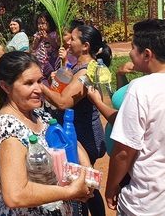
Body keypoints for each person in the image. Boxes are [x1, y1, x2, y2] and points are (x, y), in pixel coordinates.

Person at [105, 19, 165, 215]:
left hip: (148, 205)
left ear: (147, 54)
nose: (129, 53)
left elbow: (123, 152)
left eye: (132, 48)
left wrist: (112, 186)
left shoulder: (141, 89)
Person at [0, 51, 93, 215]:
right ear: (5, 86)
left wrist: (87, 173)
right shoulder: (9, 129)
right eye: (29, 83)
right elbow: (15, 195)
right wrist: (70, 192)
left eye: (39, 81)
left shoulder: (38, 115)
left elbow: (71, 141)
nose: (39, 89)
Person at [41, 25, 108, 216]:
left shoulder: (84, 73)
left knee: (79, 186)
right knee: (89, 184)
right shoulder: (80, 67)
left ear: (85, 46)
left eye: (73, 39)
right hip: (80, 132)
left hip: (82, 136)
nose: (68, 41)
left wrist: (40, 86)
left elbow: (63, 102)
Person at [31, 12, 60, 84]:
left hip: (50, 61)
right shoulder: (37, 34)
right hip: (40, 61)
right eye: (38, 23)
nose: (40, 26)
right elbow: (33, 47)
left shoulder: (53, 34)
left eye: (43, 23)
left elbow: (56, 46)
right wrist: (37, 39)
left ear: (50, 23)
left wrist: (47, 37)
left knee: (50, 76)